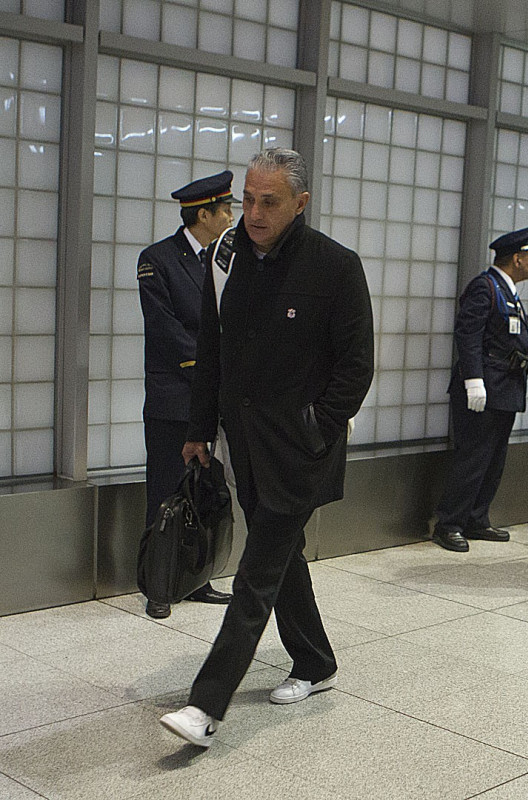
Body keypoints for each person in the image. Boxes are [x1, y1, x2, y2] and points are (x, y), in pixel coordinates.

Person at [159, 149, 374, 747]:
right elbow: (213, 351)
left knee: (256, 573)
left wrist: (317, 427)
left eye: (268, 202)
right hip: (244, 445)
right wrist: (199, 430)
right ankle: (316, 662)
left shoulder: (335, 267)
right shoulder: (226, 260)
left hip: (303, 449)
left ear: (299, 204)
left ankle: (206, 705)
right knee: (281, 558)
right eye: (247, 199)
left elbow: (356, 368)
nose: (252, 212)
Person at [137, 171, 237, 619]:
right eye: (226, 210)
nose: (233, 217)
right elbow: (164, 330)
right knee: (164, 490)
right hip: (173, 393)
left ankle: (196, 576)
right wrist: (207, 371)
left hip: (211, 396)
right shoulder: (157, 259)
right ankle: (159, 585)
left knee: (202, 489)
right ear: (204, 214)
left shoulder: (224, 260)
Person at [429, 227, 528, 551]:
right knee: (473, 458)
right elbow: (468, 334)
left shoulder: (508, 291)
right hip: (483, 390)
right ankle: (449, 524)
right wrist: (473, 380)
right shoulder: (485, 287)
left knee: (494, 459)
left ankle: (476, 518)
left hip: (505, 388)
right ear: (517, 258)